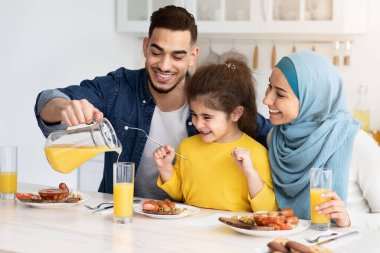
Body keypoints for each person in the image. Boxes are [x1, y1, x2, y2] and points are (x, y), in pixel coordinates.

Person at [34, 5, 272, 199]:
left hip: (184, 223)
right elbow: (47, 100)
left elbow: (266, 133)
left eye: (177, 56)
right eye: (157, 52)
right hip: (119, 215)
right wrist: (65, 107)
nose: (165, 65)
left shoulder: (211, 97)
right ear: (145, 47)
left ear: (193, 56)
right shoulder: (118, 87)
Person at [263, 51, 380, 227]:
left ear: (313, 98)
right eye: (269, 86)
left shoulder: (357, 143)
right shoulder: (276, 138)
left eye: (280, 94)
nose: (266, 99)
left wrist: (349, 218)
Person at [153, 58, 278, 212]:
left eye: (207, 117)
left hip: (233, 234)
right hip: (190, 232)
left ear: (235, 114)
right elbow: (180, 195)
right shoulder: (187, 147)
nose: (198, 124)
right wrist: (165, 167)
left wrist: (250, 173)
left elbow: (268, 211)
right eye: (194, 114)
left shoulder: (256, 154)